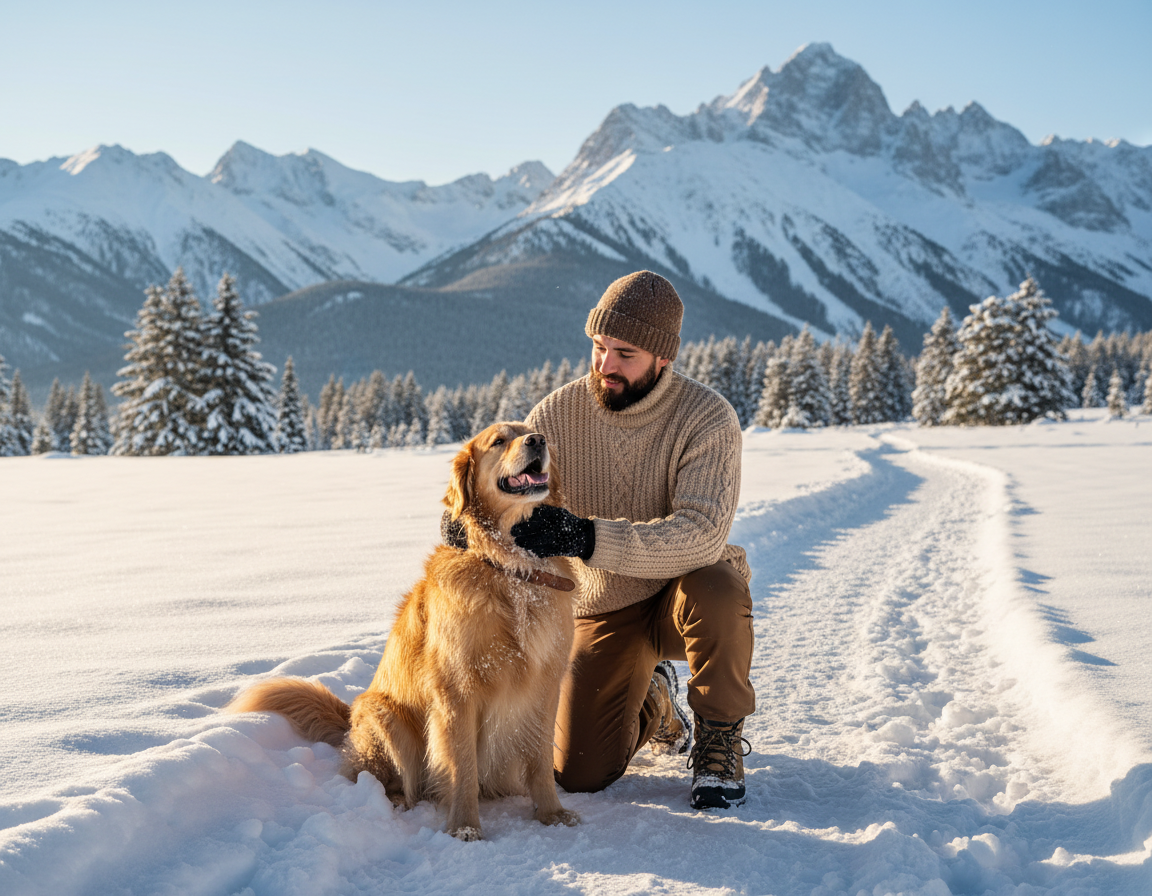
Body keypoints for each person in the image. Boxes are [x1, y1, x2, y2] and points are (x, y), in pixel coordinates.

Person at [448, 270, 754, 809]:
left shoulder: (708, 419)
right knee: (580, 773)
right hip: (604, 604)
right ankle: (653, 701)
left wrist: (585, 537)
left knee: (720, 588)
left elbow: (702, 535)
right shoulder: (555, 416)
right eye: (599, 347)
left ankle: (719, 737)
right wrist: (468, 519)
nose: (605, 366)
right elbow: (507, 485)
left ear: (664, 358)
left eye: (625, 354)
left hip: (686, 593)